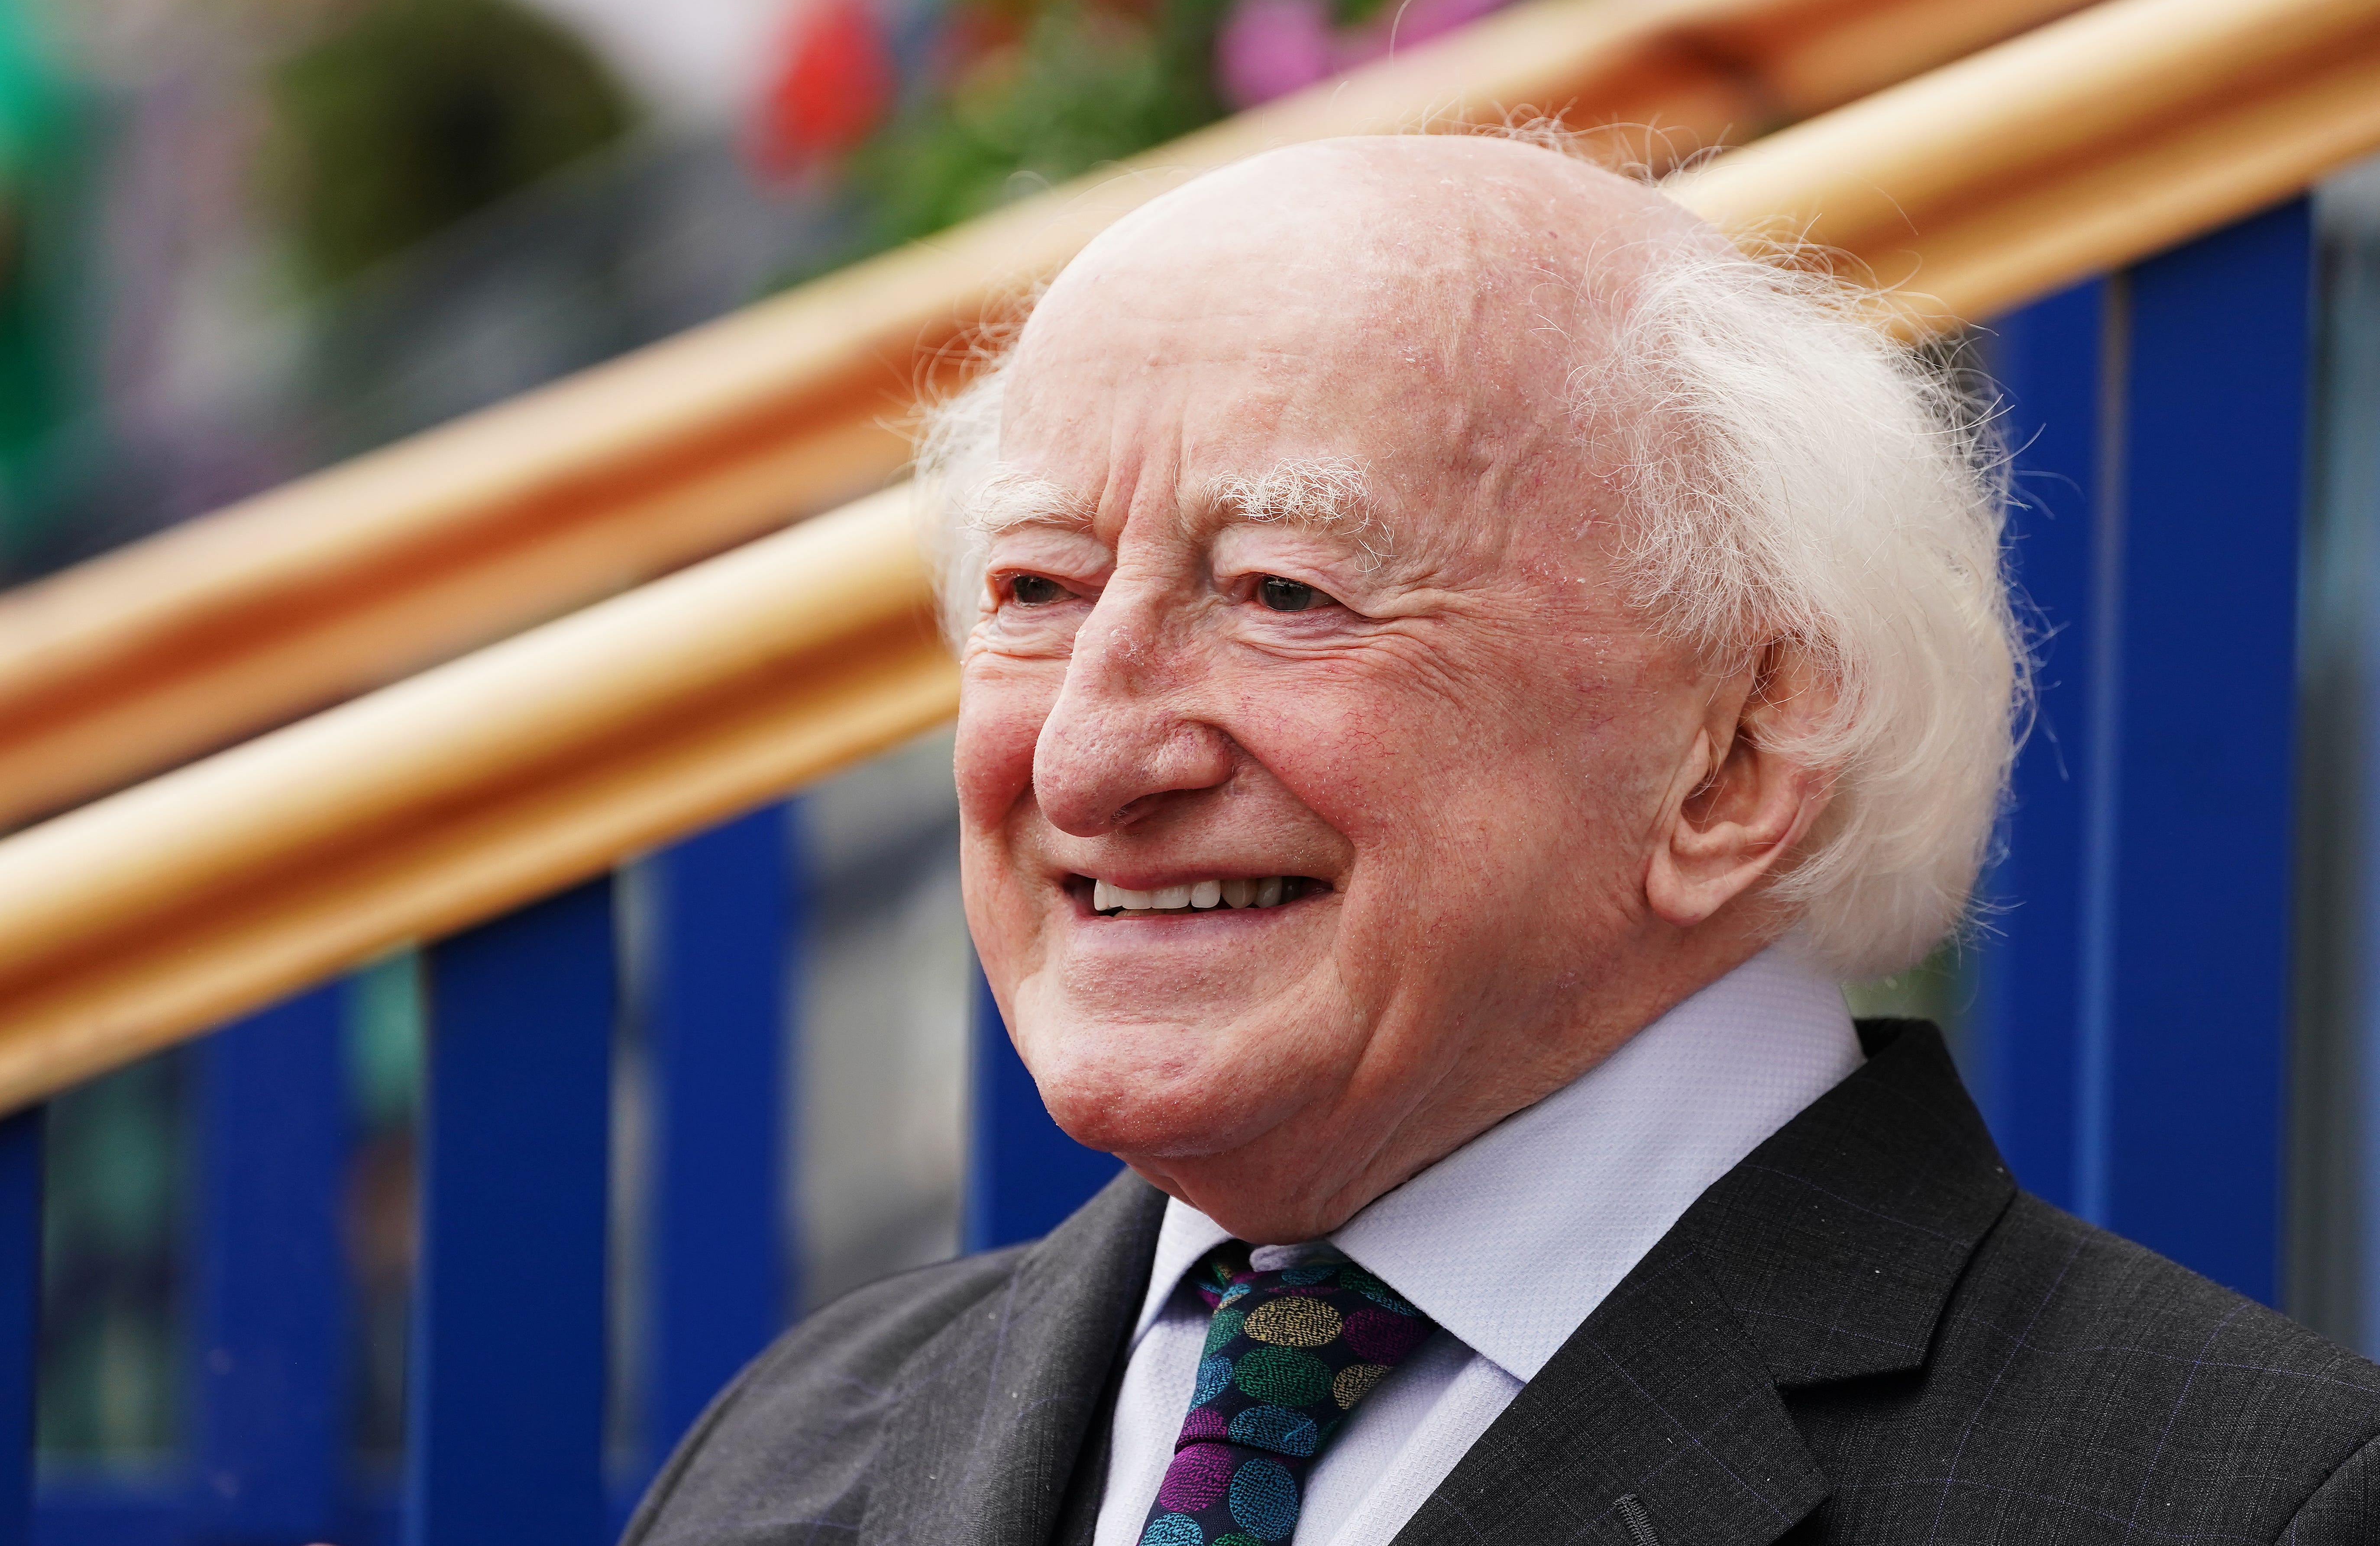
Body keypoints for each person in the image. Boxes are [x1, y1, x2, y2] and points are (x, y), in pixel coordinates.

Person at [623, 135, 2380, 1545]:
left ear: (1735, 756)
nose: (1084, 755)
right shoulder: (795, 1446)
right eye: (1033, 590)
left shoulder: (2244, 1498)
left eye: (1283, 591)